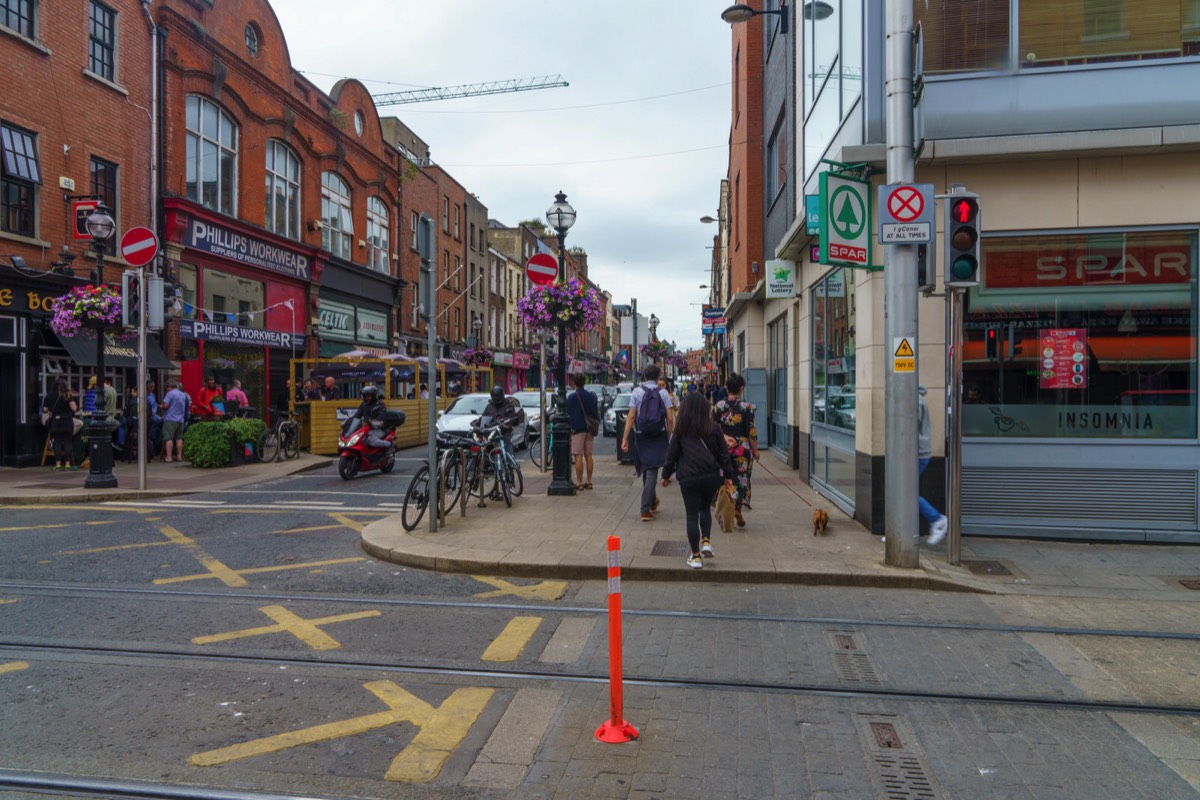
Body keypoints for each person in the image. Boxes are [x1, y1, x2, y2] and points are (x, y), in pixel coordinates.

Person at [661, 392, 736, 569]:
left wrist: (665, 475)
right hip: (710, 476)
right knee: (704, 509)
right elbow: (723, 454)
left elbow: (671, 455)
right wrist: (728, 476)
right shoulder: (714, 428)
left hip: (689, 478)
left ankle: (695, 557)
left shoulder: (681, 430)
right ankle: (707, 542)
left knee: (691, 515)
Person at [621, 364, 675, 522]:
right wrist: (668, 436)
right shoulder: (663, 392)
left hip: (642, 435)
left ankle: (652, 502)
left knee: (647, 467)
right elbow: (670, 418)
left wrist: (625, 438)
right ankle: (645, 509)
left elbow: (631, 417)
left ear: (644, 376)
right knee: (651, 470)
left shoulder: (637, 392)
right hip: (658, 435)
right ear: (658, 377)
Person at [713, 373, 759, 528]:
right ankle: (737, 507)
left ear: (726, 387)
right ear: (741, 388)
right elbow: (751, 432)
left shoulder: (718, 406)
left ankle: (727, 505)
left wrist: (724, 435)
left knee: (726, 476)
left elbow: (712, 428)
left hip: (723, 447)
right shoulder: (747, 408)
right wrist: (756, 451)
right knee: (742, 479)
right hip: (742, 450)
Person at [918, 385, 949, 545]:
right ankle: (901, 530)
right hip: (915, 454)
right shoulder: (915, 399)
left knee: (906, 493)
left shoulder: (914, 401)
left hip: (916, 454)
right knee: (903, 492)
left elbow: (907, 428)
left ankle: (937, 519)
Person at [567, 373, 598, 490]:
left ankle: (579, 482)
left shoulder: (571, 398)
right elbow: (595, 413)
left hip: (577, 430)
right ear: (584, 383)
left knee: (578, 456)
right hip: (590, 429)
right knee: (589, 455)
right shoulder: (592, 397)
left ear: (574, 383)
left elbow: (567, 414)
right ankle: (589, 481)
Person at [43, 379, 79, 471]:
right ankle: (67, 465)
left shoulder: (49, 395)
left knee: (57, 443)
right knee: (68, 443)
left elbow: (45, 409)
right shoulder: (67, 395)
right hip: (67, 420)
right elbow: (74, 408)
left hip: (55, 421)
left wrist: (52, 410)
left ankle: (58, 465)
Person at [480, 384, 525, 455]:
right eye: (495, 397)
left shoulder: (508, 405)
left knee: (507, 442)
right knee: (484, 444)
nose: (496, 399)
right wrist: (478, 422)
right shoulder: (490, 406)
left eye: (497, 396)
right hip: (492, 431)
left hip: (504, 430)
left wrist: (507, 420)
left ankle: (511, 461)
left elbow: (512, 415)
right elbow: (484, 416)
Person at [160, 379, 191, 463]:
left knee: (168, 438)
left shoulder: (170, 394)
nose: (166, 389)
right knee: (179, 438)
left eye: (166, 388)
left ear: (168, 387)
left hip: (170, 419)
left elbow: (166, 406)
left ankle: (169, 457)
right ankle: (179, 456)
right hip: (180, 420)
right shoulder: (183, 395)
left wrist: (161, 406)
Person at [355, 384, 391, 450]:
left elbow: (381, 419)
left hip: (379, 429)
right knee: (357, 440)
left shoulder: (380, 405)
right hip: (365, 429)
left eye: (368, 396)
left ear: (373, 396)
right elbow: (356, 416)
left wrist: (372, 422)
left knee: (371, 441)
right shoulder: (363, 405)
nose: (367, 398)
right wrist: (348, 421)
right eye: (365, 396)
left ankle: (389, 444)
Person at [115, 385, 140, 452]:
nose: (131, 393)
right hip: (141, 423)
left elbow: (126, 413)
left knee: (121, 426)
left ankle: (121, 443)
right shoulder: (144, 400)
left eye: (132, 392)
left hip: (132, 422)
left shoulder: (132, 400)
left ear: (136, 392)